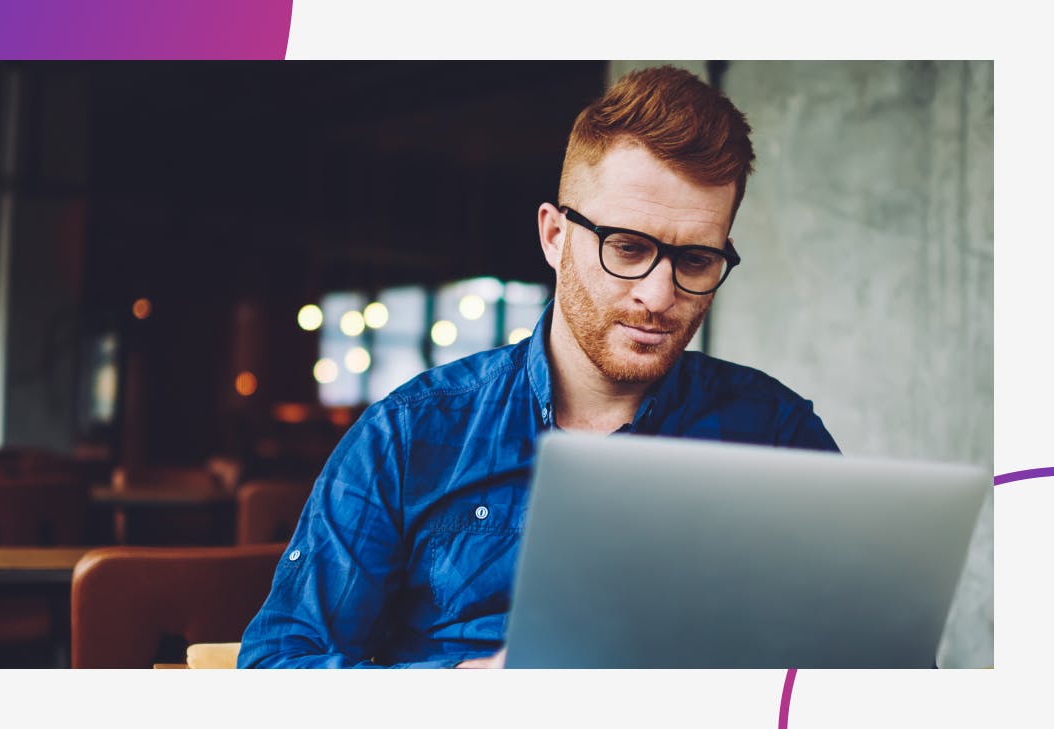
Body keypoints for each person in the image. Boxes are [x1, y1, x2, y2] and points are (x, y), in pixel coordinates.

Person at [238, 65, 839, 669]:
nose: (659, 296)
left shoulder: (776, 434)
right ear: (555, 236)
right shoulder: (409, 436)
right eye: (627, 248)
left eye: (697, 259)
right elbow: (276, 667)